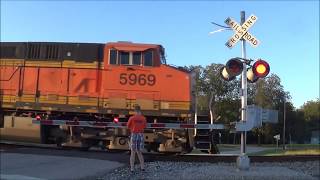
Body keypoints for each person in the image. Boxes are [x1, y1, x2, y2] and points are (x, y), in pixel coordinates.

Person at [127, 105, 147, 172]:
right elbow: (144, 126)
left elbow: (128, 126)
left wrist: (132, 128)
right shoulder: (143, 118)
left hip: (134, 134)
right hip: (140, 135)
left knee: (133, 152)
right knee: (139, 152)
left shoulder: (132, 118)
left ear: (135, 111)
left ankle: (132, 168)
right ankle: (142, 167)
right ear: (140, 110)